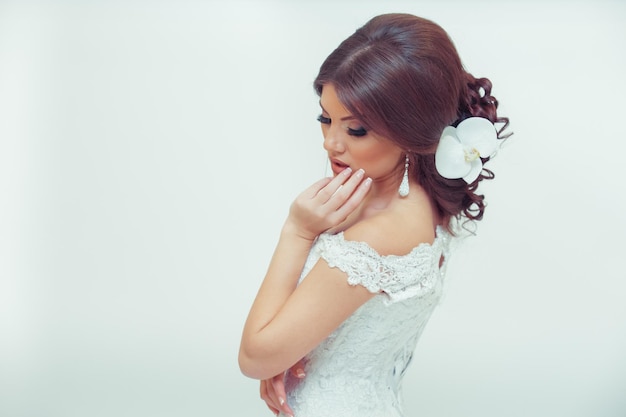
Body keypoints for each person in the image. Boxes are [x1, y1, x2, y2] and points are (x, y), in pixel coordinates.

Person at [239, 12, 510, 417]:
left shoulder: (378, 235)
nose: (331, 144)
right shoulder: (416, 200)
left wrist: (296, 232)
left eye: (356, 130)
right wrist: (294, 351)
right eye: (324, 118)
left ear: (412, 129)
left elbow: (254, 356)